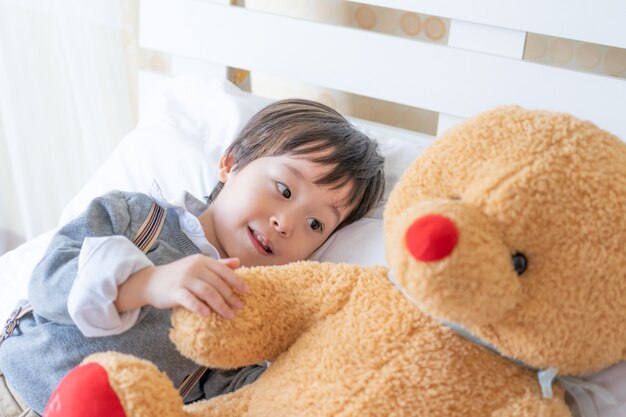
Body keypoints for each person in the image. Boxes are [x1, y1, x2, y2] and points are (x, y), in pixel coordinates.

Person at [0, 98, 385, 416]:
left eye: (315, 224)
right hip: (12, 386)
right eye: (283, 189)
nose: (285, 223)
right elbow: (50, 282)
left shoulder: (243, 319)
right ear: (231, 163)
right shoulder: (137, 217)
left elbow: (245, 399)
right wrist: (148, 283)